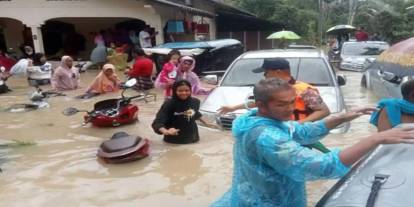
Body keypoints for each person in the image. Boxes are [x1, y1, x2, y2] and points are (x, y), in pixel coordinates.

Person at [211, 78, 414, 207]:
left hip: (251, 193)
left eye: (292, 102)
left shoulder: (257, 118)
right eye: (282, 104)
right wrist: (375, 138)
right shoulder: (267, 136)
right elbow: (321, 166)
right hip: (269, 201)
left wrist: (343, 116)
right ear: (262, 105)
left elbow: (302, 131)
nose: (290, 109)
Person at [218, 58, 331, 152]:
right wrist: (232, 108)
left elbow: (324, 111)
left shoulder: (305, 90)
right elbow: (258, 103)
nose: (264, 75)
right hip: (277, 134)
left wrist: (297, 125)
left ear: (277, 72)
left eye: (266, 72)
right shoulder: (272, 89)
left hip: (297, 136)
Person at [151, 80, 213, 144]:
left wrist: (206, 122)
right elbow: (157, 122)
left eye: (187, 90)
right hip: (174, 141)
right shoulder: (169, 104)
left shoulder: (195, 102)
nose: (184, 93)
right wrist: (166, 131)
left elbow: (194, 112)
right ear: (175, 91)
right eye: (180, 91)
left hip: (193, 138)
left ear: (190, 90)